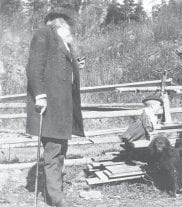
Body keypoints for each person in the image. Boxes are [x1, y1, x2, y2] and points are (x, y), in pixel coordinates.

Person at [26, 5, 85, 207]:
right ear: (58, 22)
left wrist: (77, 63)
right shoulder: (44, 34)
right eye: (68, 23)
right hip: (50, 108)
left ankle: (55, 194)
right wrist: (40, 96)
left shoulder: (64, 43)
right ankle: (57, 200)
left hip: (63, 110)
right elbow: (34, 66)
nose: (70, 28)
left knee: (60, 153)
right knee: (53, 153)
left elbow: (65, 68)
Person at [120, 95, 163, 164]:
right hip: (137, 135)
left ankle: (139, 156)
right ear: (153, 106)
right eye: (158, 105)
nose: (160, 107)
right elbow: (148, 127)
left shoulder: (147, 113)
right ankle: (141, 158)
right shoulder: (147, 114)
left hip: (139, 134)